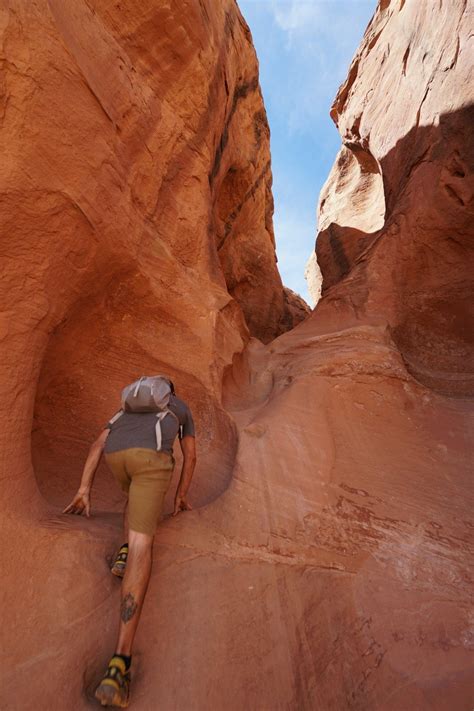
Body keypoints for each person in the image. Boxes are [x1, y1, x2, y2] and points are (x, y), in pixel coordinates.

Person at [63, 378, 196, 708]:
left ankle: (122, 552)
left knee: (133, 494)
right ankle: (119, 664)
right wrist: (180, 496)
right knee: (142, 545)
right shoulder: (179, 407)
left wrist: (84, 489)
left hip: (116, 457)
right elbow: (190, 456)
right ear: (170, 393)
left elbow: (98, 443)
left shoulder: (126, 408)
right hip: (150, 460)